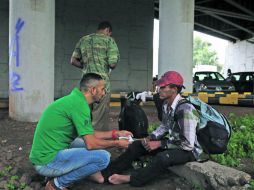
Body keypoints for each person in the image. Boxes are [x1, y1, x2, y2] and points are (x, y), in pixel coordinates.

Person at [102, 71, 206, 187]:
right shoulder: (167, 104)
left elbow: (188, 144)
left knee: (162, 158)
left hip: (191, 151)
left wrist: (160, 144)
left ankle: (131, 178)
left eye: (163, 87)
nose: (159, 89)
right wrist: (151, 137)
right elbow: (165, 126)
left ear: (174, 89)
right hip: (175, 143)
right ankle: (106, 173)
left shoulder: (185, 110)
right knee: (138, 145)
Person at [29, 73, 132, 190]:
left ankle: (65, 173)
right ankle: (56, 184)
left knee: (92, 146)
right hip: (46, 162)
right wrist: (117, 143)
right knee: (103, 157)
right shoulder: (79, 105)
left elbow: (89, 133)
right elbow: (91, 143)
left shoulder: (76, 100)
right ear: (93, 90)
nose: (104, 93)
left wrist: (116, 134)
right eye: (102, 89)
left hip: (47, 153)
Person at [70, 21, 120, 131]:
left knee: (84, 114)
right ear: (107, 30)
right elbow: (112, 64)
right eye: (109, 33)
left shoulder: (83, 40)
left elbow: (73, 61)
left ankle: (83, 139)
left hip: (86, 84)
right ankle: (97, 142)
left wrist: (85, 66)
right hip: (102, 86)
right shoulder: (109, 41)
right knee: (100, 118)